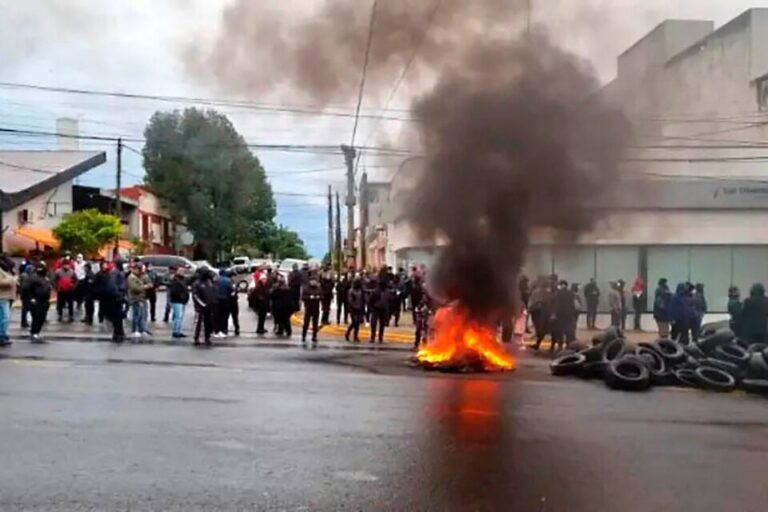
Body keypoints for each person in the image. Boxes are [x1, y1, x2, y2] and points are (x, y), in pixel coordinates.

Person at [25, 262, 52, 343]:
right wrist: (31, 298)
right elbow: (27, 289)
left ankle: (37, 332)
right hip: (36, 301)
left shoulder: (46, 279)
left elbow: (48, 289)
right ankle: (34, 332)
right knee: (36, 317)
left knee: (42, 318)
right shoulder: (33, 278)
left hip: (45, 301)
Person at [126, 263, 152, 340]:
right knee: (136, 315)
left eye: (140, 269)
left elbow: (148, 281)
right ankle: (135, 330)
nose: (140, 271)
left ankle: (141, 330)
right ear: (134, 269)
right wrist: (145, 287)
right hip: (135, 299)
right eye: (138, 269)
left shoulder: (139, 276)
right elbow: (135, 288)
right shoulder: (131, 277)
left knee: (141, 315)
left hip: (141, 298)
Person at [193, 269, 217, 346]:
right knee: (199, 323)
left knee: (208, 323)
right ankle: (196, 338)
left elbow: (213, 292)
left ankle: (207, 337)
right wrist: (202, 304)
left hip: (209, 306)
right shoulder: (197, 283)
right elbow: (195, 295)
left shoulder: (209, 282)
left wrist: (213, 302)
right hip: (201, 307)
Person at [550, 280, 576, 353]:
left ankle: (560, 346)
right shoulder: (571, 293)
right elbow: (573, 304)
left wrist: (553, 314)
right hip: (569, 315)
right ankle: (567, 346)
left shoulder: (557, 294)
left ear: (561, 285)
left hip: (559, 315)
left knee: (559, 331)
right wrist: (574, 314)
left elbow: (555, 304)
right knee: (568, 331)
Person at [104, 260, 127, 343]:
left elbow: (119, 286)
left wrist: (117, 293)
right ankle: (118, 333)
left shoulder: (116, 274)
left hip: (116, 298)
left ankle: (118, 333)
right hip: (113, 298)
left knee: (117, 317)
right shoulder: (112, 273)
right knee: (116, 317)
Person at [529, 277, 551, 350]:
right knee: (542, 329)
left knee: (540, 329)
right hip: (542, 313)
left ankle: (538, 344)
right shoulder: (547, 293)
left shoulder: (536, 293)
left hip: (539, 313)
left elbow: (532, 303)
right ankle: (539, 344)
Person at [168, 267, 190, 339]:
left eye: (184, 271)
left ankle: (177, 330)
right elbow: (175, 291)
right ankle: (176, 331)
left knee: (178, 317)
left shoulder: (181, 280)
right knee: (178, 317)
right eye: (182, 271)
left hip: (180, 301)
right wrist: (182, 297)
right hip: (177, 301)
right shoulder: (176, 280)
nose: (183, 273)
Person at [301, 274, 322, 346]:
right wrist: (310, 297)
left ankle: (314, 336)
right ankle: (303, 335)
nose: (313, 282)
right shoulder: (306, 288)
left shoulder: (318, 288)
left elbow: (322, 296)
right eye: (312, 281)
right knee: (306, 322)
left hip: (316, 308)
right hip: (308, 307)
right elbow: (303, 297)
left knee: (315, 323)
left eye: (315, 281)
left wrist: (318, 297)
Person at [0, 255, 17, 346]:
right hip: (2, 297)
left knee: (4, 317)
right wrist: (12, 280)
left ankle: (4, 334)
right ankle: (1, 335)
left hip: (8, 297)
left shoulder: (7, 271)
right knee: (4, 317)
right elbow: (2, 282)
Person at [215, 269, 233, 338]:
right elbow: (231, 290)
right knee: (225, 316)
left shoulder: (216, 280)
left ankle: (216, 330)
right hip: (226, 299)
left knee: (217, 315)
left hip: (217, 300)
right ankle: (224, 330)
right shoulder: (228, 280)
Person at [18, 264, 33, 329]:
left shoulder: (23, 275)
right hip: (27, 295)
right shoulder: (27, 276)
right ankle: (24, 322)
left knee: (25, 309)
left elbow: (19, 283)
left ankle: (24, 322)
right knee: (26, 309)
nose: (32, 270)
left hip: (25, 294)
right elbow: (25, 286)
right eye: (31, 269)